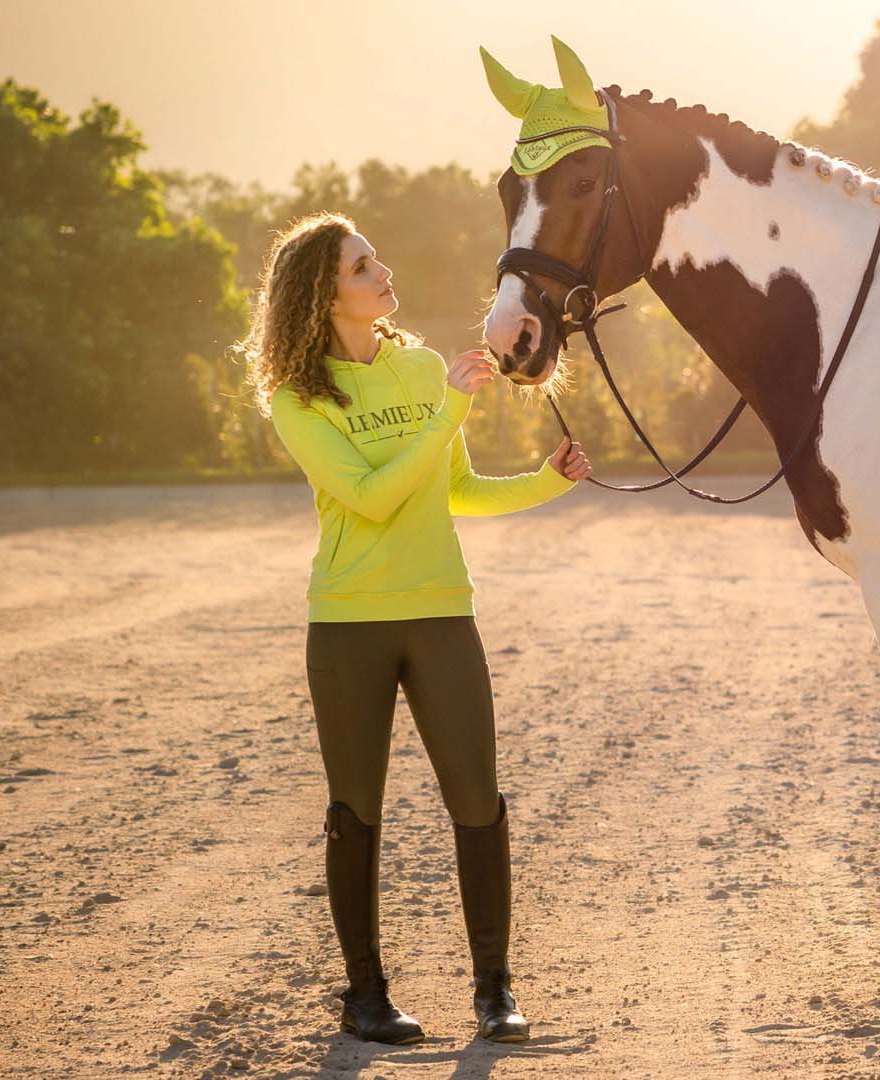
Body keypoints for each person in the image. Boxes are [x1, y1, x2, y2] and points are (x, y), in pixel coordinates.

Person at [241, 211, 590, 1045]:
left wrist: (547, 483)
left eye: (376, 256)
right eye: (363, 266)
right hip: (351, 623)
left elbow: (453, 490)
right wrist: (449, 414)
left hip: (441, 611)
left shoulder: (425, 368)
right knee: (355, 810)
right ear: (324, 295)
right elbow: (370, 496)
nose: (383, 270)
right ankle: (365, 994)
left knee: (478, 799)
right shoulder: (296, 397)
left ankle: (494, 990)